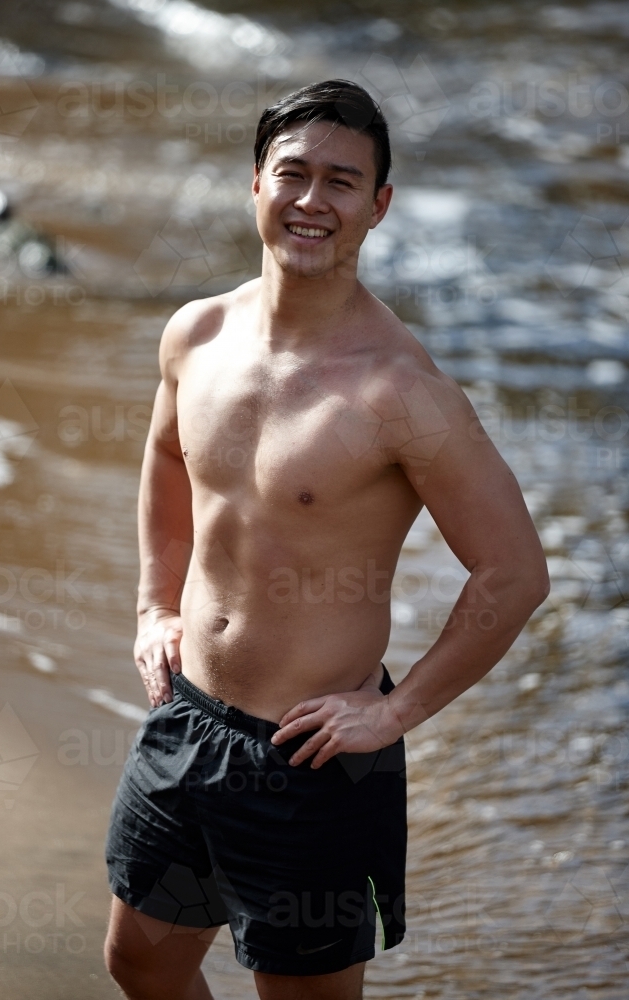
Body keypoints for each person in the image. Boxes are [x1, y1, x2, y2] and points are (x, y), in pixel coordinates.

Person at [103, 79, 549, 1000]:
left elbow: (512, 572)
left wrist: (393, 713)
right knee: (140, 963)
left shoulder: (402, 392)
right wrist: (153, 604)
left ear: (377, 206)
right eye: (292, 173)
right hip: (186, 718)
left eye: (341, 182)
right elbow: (167, 457)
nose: (312, 200)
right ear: (254, 185)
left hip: (313, 759)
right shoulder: (197, 334)